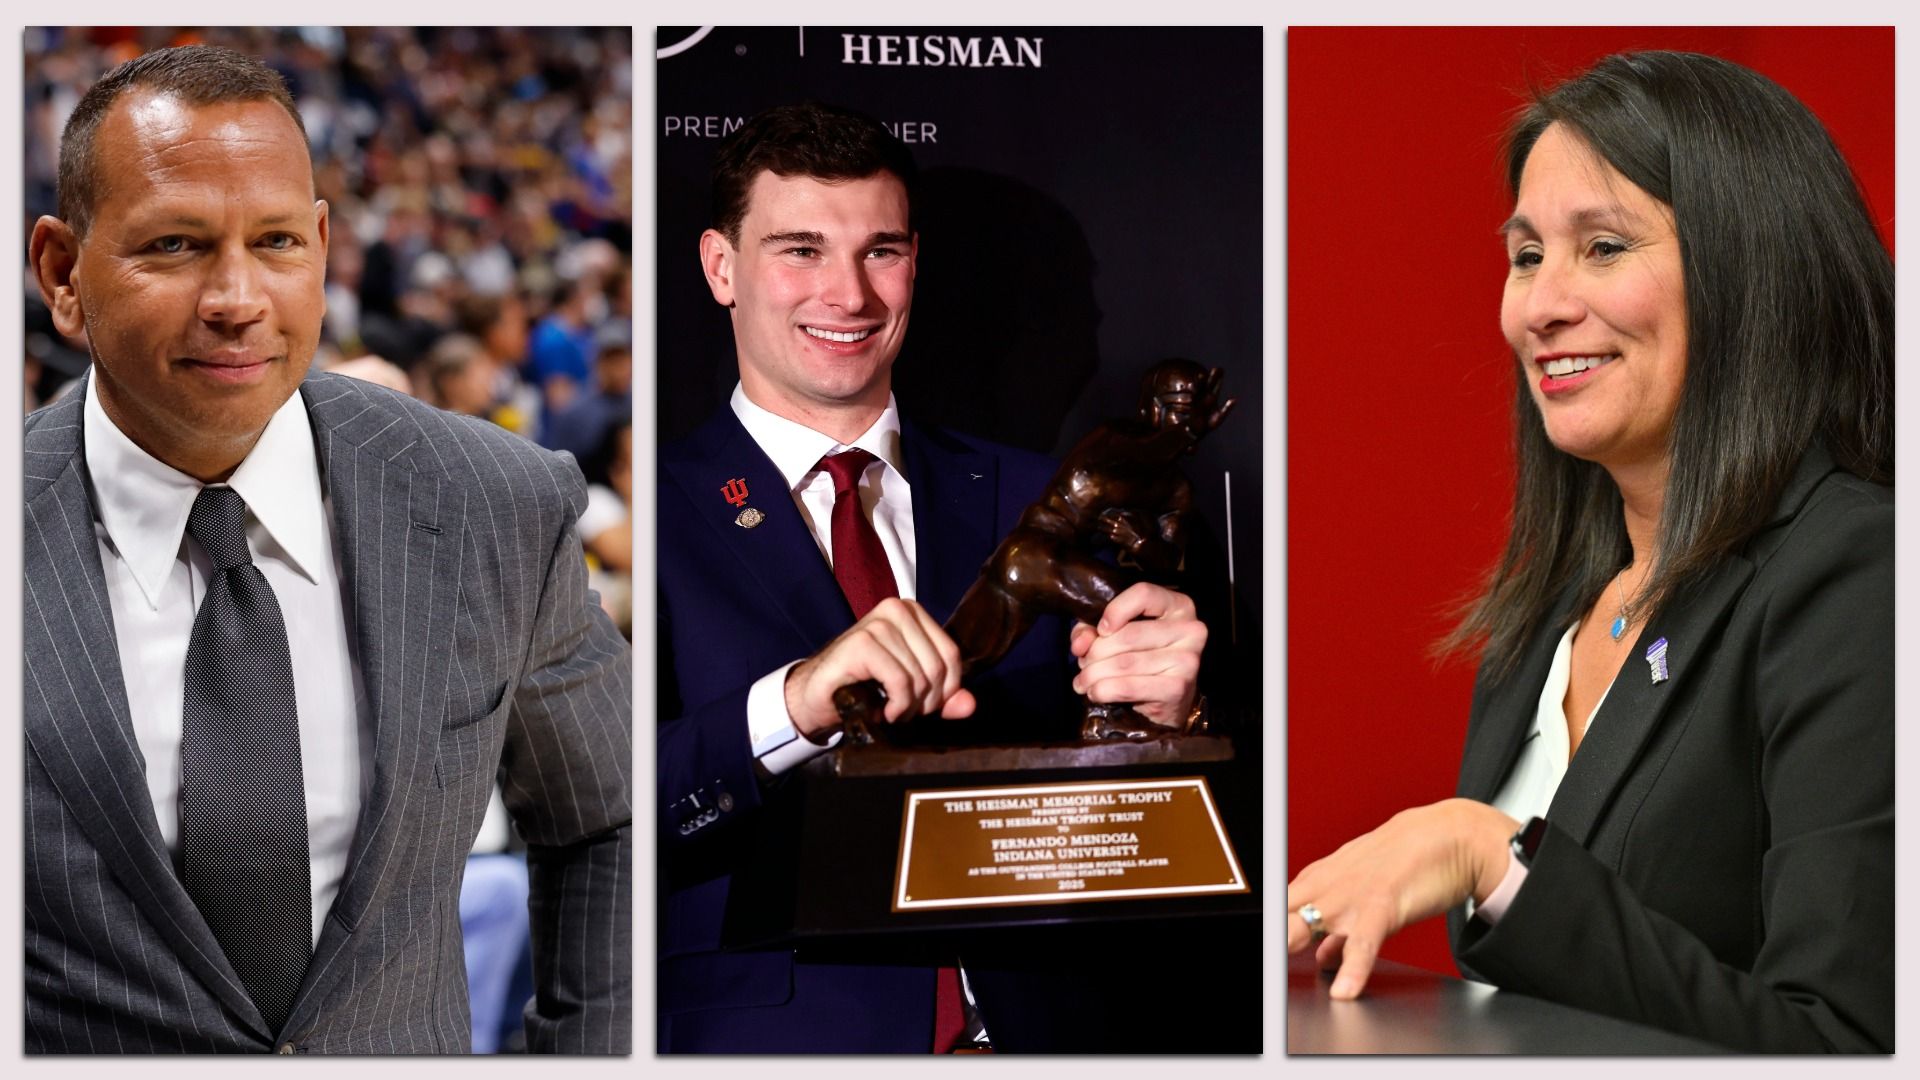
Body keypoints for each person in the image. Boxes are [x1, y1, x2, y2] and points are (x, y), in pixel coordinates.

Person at [23, 44, 632, 1054]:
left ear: (321, 244)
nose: (236, 297)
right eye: (174, 245)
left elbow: (604, 823)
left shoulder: (494, 502)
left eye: (274, 243)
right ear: (62, 272)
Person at [1284, 51, 1892, 1052]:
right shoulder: (1552, 612)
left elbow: (1848, 1049)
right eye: (1525, 256)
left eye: (1602, 246)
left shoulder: (1861, 572)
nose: (1539, 307)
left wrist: (1491, 854)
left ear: (1755, 269)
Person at [657, 102, 1217, 1052]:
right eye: (800, 250)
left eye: (880, 252)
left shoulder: (1035, 497)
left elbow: (1143, 837)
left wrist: (1175, 725)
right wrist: (790, 707)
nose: (849, 296)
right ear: (722, 268)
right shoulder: (647, 514)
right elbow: (603, 808)